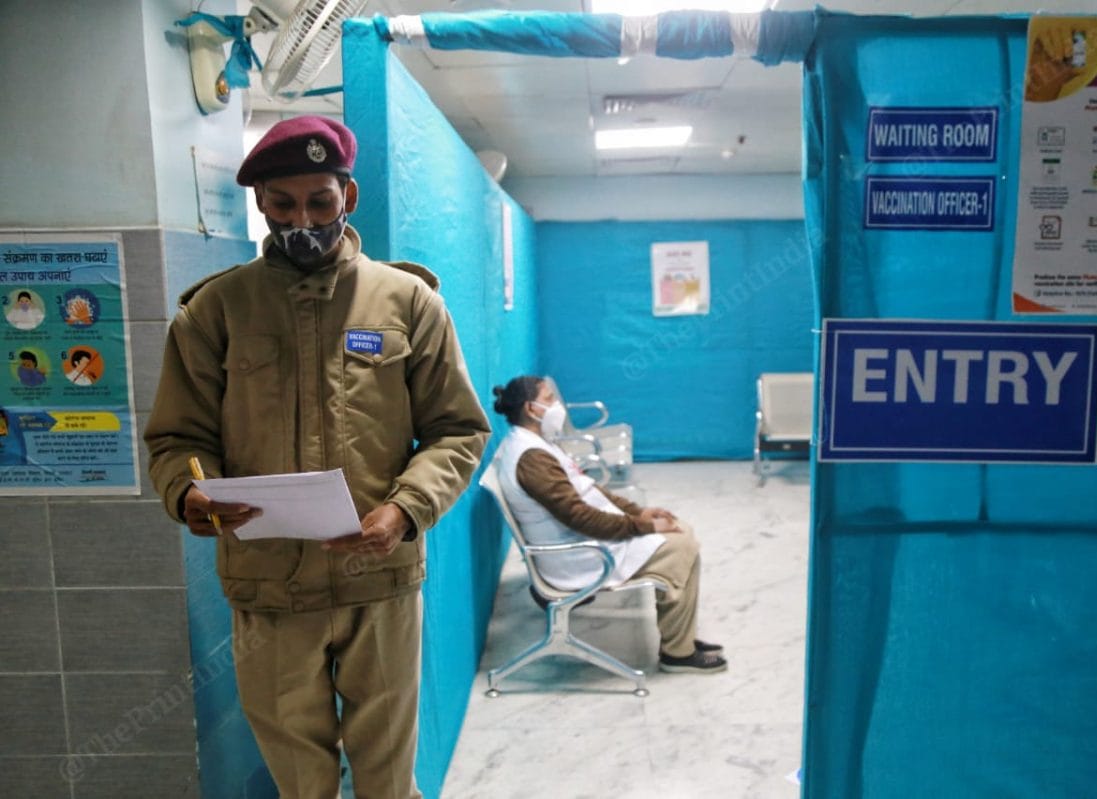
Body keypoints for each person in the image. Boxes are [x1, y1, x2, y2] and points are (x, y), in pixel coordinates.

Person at [143, 115, 491, 799]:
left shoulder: (407, 303)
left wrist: (406, 508)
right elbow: (175, 439)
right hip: (269, 588)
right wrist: (191, 494)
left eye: (319, 202)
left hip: (379, 578)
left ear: (348, 198)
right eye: (283, 204)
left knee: (387, 779)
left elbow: (458, 429)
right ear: (261, 204)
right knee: (302, 784)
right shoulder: (215, 312)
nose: (302, 220)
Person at [490, 375, 726, 674]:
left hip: (581, 541)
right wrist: (645, 527)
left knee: (676, 529)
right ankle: (678, 652)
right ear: (531, 409)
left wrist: (640, 513)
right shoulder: (532, 459)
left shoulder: (535, 445)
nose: (557, 405)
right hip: (577, 556)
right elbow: (582, 517)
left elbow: (588, 489)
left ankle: (681, 638)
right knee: (683, 543)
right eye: (550, 399)